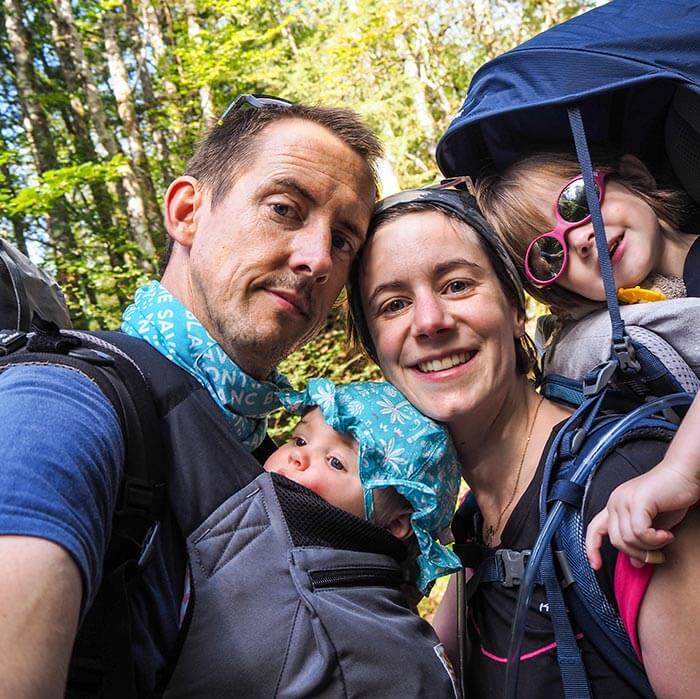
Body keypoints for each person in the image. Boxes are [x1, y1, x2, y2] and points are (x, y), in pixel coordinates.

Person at [0, 95, 380, 695]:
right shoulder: (65, 402)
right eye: (285, 208)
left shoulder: (262, 448)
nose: (316, 259)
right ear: (187, 212)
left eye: (343, 242)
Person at [346, 183, 700, 696]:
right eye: (394, 304)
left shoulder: (624, 490)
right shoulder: (472, 527)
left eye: (457, 285)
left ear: (516, 309)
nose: (429, 321)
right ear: (377, 350)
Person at [165, 377, 462, 696]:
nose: (297, 456)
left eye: (335, 462)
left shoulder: (353, 638)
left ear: (395, 525)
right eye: (300, 440)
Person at [474, 151, 700, 569]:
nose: (578, 239)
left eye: (576, 201)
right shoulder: (601, 335)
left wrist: (681, 470)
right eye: (548, 255)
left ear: (634, 175)